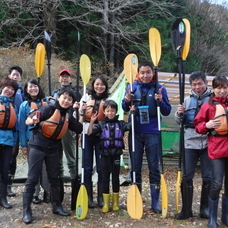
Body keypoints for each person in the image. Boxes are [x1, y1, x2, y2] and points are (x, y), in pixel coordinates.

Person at [22, 87, 83, 224]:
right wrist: (33, 121)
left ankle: (57, 206)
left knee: (54, 178)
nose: (66, 101)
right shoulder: (47, 109)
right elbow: (28, 120)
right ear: (59, 97)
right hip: (37, 146)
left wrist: (81, 111)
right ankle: (26, 211)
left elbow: (78, 128)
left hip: (53, 149)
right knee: (32, 178)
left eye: (69, 99)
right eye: (64, 97)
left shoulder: (68, 115)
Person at [122, 60, 171, 212]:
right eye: (142, 72)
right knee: (135, 167)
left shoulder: (160, 89)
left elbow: (167, 111)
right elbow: (124, 107)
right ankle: (137, 199)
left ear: (153, 73)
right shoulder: (131, 87)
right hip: (135, 132)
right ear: (138, 73)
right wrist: (127, 100)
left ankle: (155, 202)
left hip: (152, 132)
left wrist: (160, 101)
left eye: (148, 72)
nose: (145, 75)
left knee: (153, 167)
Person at [175, 71, 212, 220]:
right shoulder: (186, 100)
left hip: (208, 142)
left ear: (206, 83)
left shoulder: (213, 100)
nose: (197, 87)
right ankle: (186, 210)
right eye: (194, 84)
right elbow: (179, 122)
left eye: (200, 83)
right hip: (190, 141)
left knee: (208, 177)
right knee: (187, 176)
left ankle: (205, 209)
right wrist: (179, 114)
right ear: (191, 86)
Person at [88, 100, 133, 213]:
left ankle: (116, 203)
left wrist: (132, 113)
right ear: (104, 112)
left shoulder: (121, 124)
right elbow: (89, 132)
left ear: (116, 111)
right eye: (108, 111)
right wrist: (92, 121)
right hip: (104, 155)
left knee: (115, 178)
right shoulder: (101, 124)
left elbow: (131, 126)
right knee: (104, 179)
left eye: (112, 111)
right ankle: (106, 203)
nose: (110, 113)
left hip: (116, 155)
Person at [194, 75, 228, 228]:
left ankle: (225, 217)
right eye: (219, 87)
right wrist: (207, 124)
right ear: (213, 89)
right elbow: (198, 125)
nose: (222, 91)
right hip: (217, 149)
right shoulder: (208, 106)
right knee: (216, 183)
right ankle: (212, 219)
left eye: (225, 87)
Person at [18, 79, 50, 204]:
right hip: (31, 140)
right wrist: (23, 145)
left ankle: (48, 192)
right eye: (30, 87)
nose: (33, 89)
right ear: (26, 90)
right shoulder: (24, 105)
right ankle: (35, 194)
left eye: (35, 86)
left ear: (38, 87)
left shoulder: (46, 102)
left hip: (45, 139)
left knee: (46, 168)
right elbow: (21, 126)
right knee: (33, 168)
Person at [79, 75, 109, 208]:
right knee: (87, 167)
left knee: (102, 168)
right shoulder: (85, 98)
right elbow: (79, 117)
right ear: (93, 85)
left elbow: (112, 116)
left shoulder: (109, 100)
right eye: (97, 84)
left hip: (102, 136)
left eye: (102, 84)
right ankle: (88, 196)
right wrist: (81, 110)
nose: (99, 87)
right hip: (87, 134)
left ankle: (101, 197)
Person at [52, 69, 82, 199]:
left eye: (67, 77)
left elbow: (81, 113)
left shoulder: (77, 93)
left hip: (69, 128)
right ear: (59, 79)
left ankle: (75, 191)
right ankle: (58, 193)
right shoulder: (54, 93)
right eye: (62, 77)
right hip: (54, 129)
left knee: (71, 160)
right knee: (56, 160)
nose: (64, 79)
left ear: (70, 78)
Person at [0, 77, 18, 209]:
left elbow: (15, 127)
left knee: (5, 170)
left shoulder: (13, 106)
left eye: (13, 89)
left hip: (8, 142)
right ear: (2, 87)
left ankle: (2, 198)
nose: (10, 90)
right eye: (8, 87)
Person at [7, 65, 25, 197]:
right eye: (14, 74)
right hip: (4, 130)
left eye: (18, 75)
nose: (15, 76)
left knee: (12, 158)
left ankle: (8, 185)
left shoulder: (22, 92)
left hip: (16, 131)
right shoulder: (3, 91)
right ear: (9, 76)